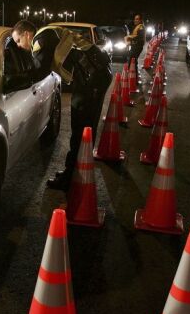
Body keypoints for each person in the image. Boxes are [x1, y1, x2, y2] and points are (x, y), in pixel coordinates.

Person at [12, 20, 112, 191]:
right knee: (86, 127)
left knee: (81, 127)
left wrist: (14, 79)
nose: (19, 46)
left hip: (91, 77)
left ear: (27, 34)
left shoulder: (41, 39)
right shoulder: (50, 33)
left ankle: (72, 178)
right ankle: (76, 172)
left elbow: (39, 70)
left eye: (18, 41)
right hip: (95, 73)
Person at [125, 13, 145, 84]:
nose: (135, 20)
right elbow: (134, 35)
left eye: (137, 19)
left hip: (137, 47)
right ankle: (133, 78)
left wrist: (130, 38)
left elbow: (139, 37)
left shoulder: (141, 27)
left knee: (132, 61)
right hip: (134, 46)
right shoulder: (137, 26)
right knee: (132, 61)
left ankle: (134, 79)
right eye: (135, 19)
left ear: (140, 20)